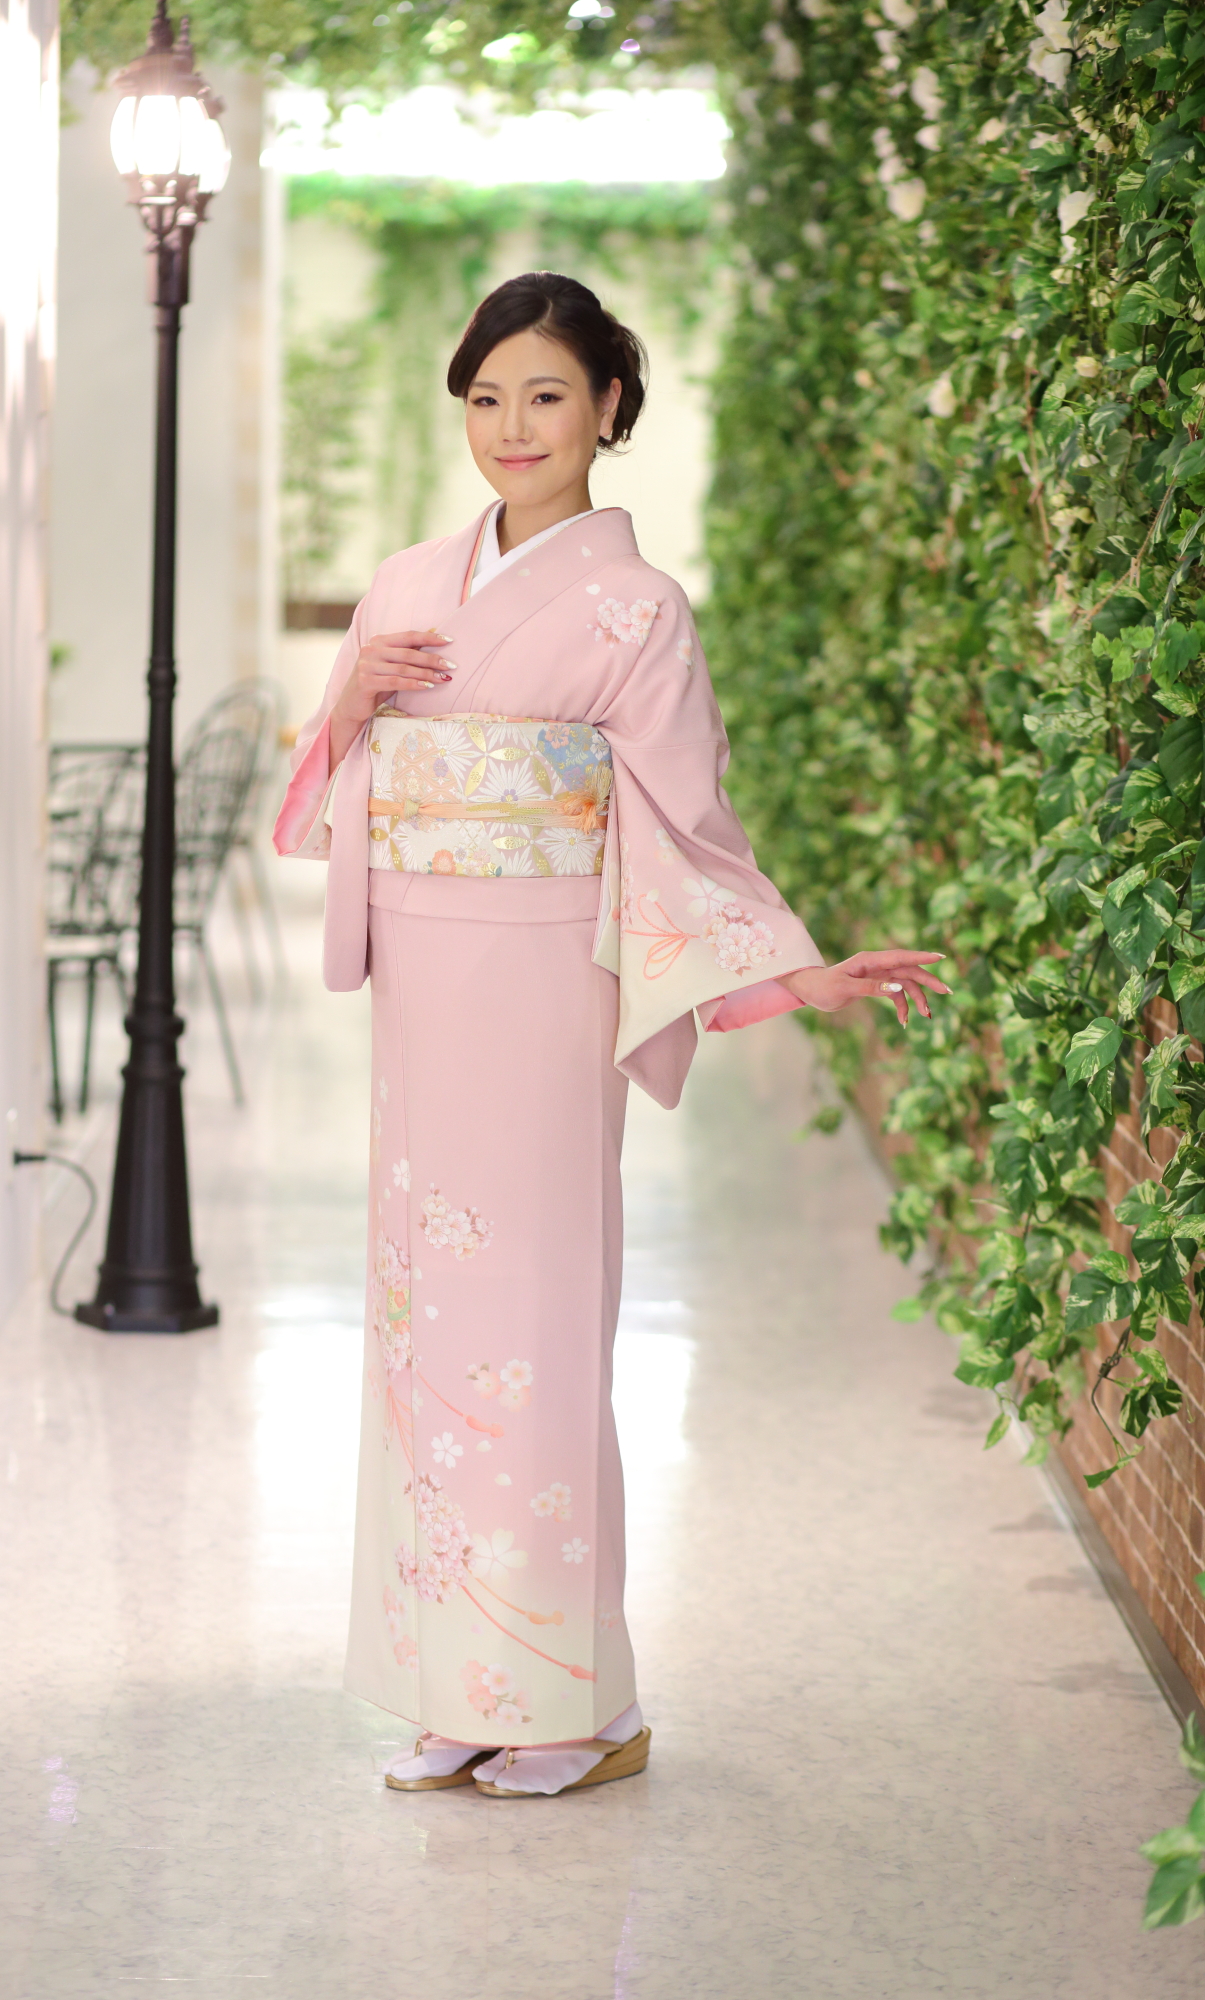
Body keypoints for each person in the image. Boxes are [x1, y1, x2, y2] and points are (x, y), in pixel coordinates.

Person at [274, 271, 946, 1798]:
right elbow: (325, 795)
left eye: (546, 396)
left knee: (533, 1323)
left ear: (609, 409)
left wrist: (789, 975)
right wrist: (353, 697)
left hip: (545, 980)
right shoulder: (406, 582)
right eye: (486, 397)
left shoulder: (638, 610)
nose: (511, 428)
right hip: (427, 987)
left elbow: (682, 824)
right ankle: (460, 1685)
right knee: (425, 1325)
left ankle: (574, 1704)